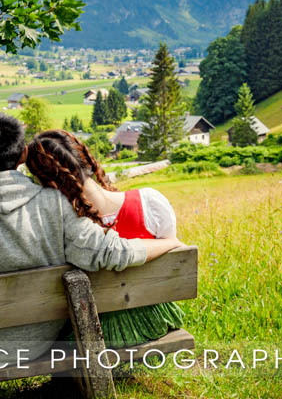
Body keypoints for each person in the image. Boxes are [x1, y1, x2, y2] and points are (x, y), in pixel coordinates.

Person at [0, 112, 183, 371]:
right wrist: (170, 243)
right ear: (23, 154)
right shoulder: (54, 204)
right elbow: (111, 253)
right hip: (46, 339)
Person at [24, 129, 185, 348]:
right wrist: (172, 243)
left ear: (46, 183)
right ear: (87, 161)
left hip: (86, 330)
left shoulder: (64, 226)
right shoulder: (151, 202)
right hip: (153, 321)